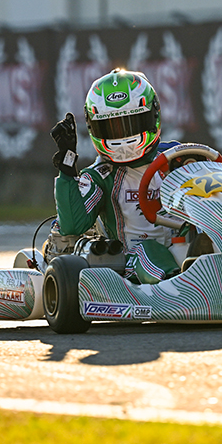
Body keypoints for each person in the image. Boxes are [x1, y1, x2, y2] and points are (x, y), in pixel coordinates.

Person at [50, 68, 185, 284]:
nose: (123, 137)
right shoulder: (100, 175)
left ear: (153, 115)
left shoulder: (180, 157)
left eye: (132, 123)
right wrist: (67, 169)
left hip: (186, 248)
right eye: (111, 128)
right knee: (148, 250)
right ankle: (178, 284)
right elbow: (73, 226)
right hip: (131, 262)